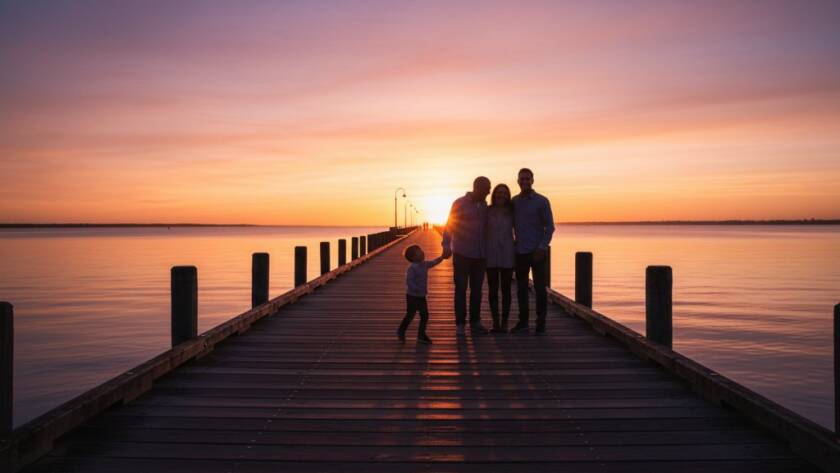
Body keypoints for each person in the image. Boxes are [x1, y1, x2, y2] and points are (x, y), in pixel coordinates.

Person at [442, 176, 491, 335]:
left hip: (480, 255)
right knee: (461, 289)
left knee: (477, 290)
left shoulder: (484, 205)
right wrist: (446, 245)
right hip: (462, 253)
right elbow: (450, 224)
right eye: (486, 188)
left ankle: (475, 322)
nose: (489, 191)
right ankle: (460, 324)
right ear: (477, 187)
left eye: (489, 188)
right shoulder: (460, 203)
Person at [511, 168, 555, 335]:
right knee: (521, 288)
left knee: (540, 289)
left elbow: (549, 227)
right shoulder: (514, 202)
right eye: (522, 179)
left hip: (538, 253)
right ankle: (523, 323)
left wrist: (542, 247)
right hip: (520, 252)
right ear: (518, 181)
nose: (525, 182)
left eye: (528, 179)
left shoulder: (542, 201)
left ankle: (541, 323)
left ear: (533, 180)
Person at [398, 244, 445, 344]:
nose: (422, 253)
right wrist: (415, 288)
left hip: (421, 296)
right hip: (412, 297)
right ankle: (401, 330)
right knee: (410, 315)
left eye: (422, 251)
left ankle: (421, 335)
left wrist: (442, 257)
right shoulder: (412, 268)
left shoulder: (424, 264)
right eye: (419, 253)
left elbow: (433, 262)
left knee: (425, 315)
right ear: (413, 258)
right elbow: (409, 281)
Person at [485, 183, 515, 333]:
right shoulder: (487, 211)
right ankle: (495, 322)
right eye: (499, 192)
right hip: (490, 255)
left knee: (506, 290)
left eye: (504, 193)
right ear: (494, 195)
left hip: (507, 254)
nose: (501, 195)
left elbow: (520, 230)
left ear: (508, 195)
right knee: (492, 290)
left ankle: (504, 323)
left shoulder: (512, 212)